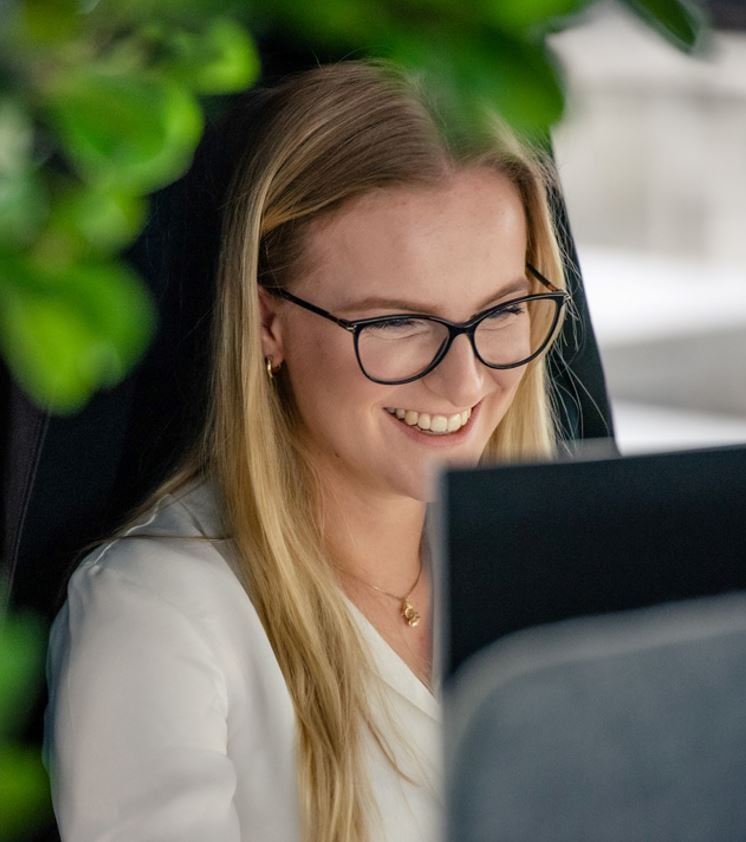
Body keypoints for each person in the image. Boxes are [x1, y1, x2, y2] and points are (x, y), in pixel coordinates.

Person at [43, 59, 569, 842]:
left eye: (500, 312)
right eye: (394, 323)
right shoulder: (159, 617)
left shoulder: (567, 569)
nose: (464, 381)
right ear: (267, 324)